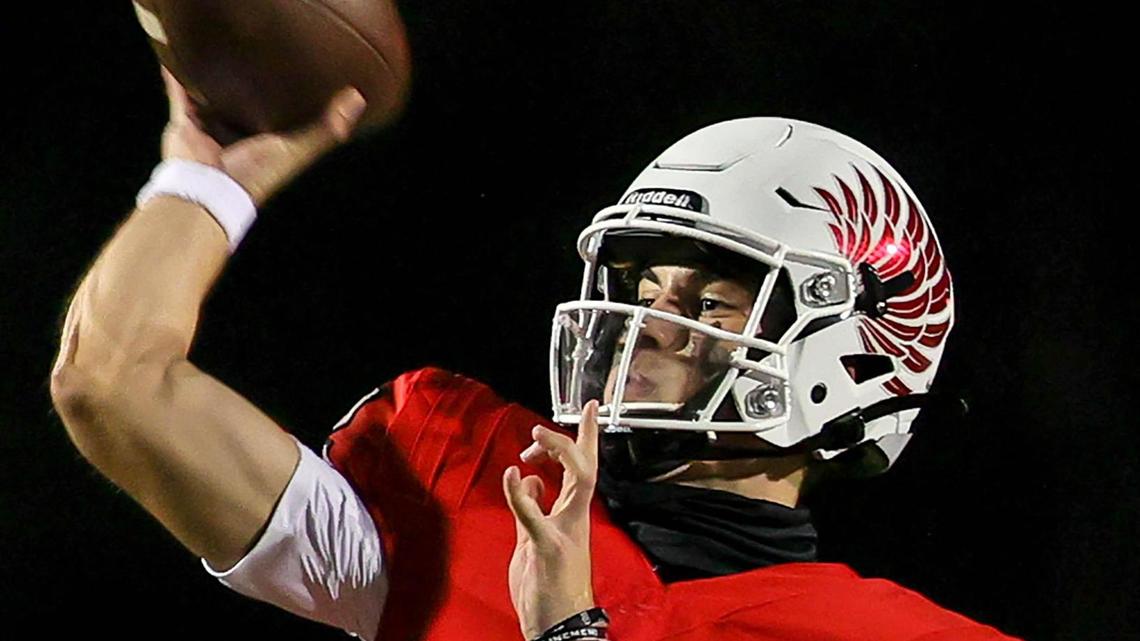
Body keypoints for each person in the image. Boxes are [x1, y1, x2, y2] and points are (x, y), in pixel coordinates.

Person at [49, 67, 1019, 641]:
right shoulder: (476, 495)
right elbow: (113, 381)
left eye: (713, 297)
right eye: (645, 290)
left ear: (849, 354)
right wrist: (205, 181)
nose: (651, 325)